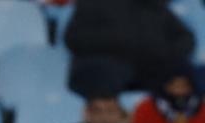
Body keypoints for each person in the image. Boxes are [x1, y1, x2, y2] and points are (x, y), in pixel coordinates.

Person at [65, 0, 195, 98]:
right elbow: (73, 38)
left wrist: (165, 52)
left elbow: (185, 37)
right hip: (107, 68)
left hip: (151, 69)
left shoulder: (154, 7)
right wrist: (114, 44)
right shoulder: (94, 4)